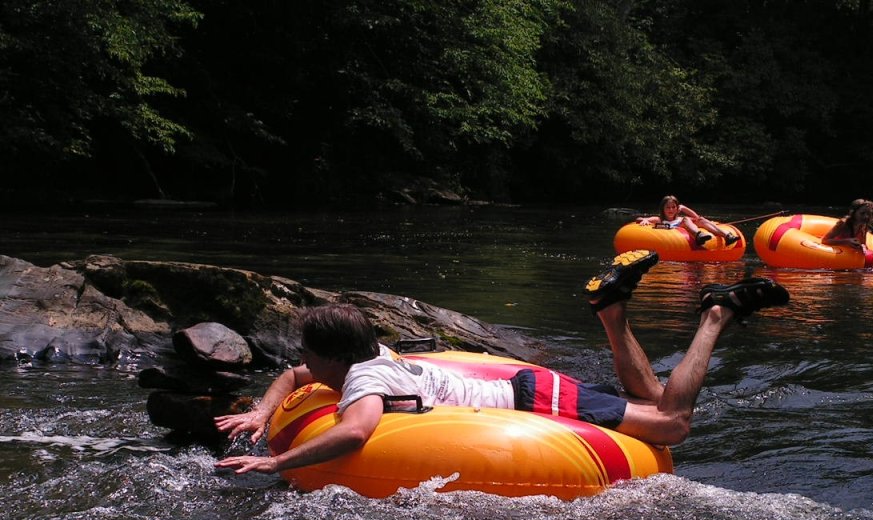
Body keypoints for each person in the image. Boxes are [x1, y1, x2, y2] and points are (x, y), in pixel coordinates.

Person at [214, 250, 789, 477]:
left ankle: (716, 315)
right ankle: (611, 311)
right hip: (526, 386)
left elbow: (357, 432)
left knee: (674, 425)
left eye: (310, 351)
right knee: (655, 404)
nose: (301, 361)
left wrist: (272, 464)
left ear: (333, 356)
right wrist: (262, 415)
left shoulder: (365, 377)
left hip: (531, 401)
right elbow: (292, 377)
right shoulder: (374, 355)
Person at [635, 195, 740, 247]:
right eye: (668, 207)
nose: (670, 210)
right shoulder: (660, 219)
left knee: (701, 220)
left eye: (673, 207)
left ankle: (727, 236)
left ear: (677, 208)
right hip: (677, 235)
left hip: (687, 225)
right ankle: (698, 235)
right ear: (663, 209)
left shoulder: (681, 218)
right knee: (686, 220)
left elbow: (697, 217)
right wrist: (644, 219)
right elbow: (640, 219)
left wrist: (684, 208)